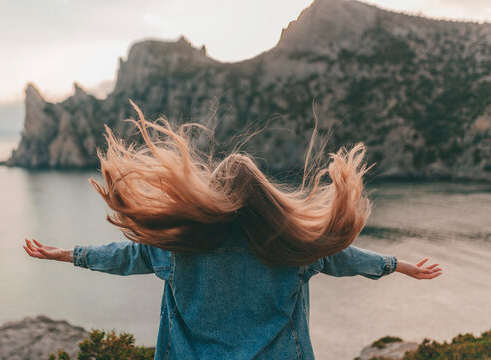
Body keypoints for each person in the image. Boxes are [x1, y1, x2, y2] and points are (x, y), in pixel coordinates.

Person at [23, 102, 442, 360]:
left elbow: (125, 255)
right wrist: (399, 265)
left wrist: (68, 254)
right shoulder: (294, 247)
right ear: (267, 199)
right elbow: (345, 257)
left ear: (213, 195)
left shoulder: (177, 246)